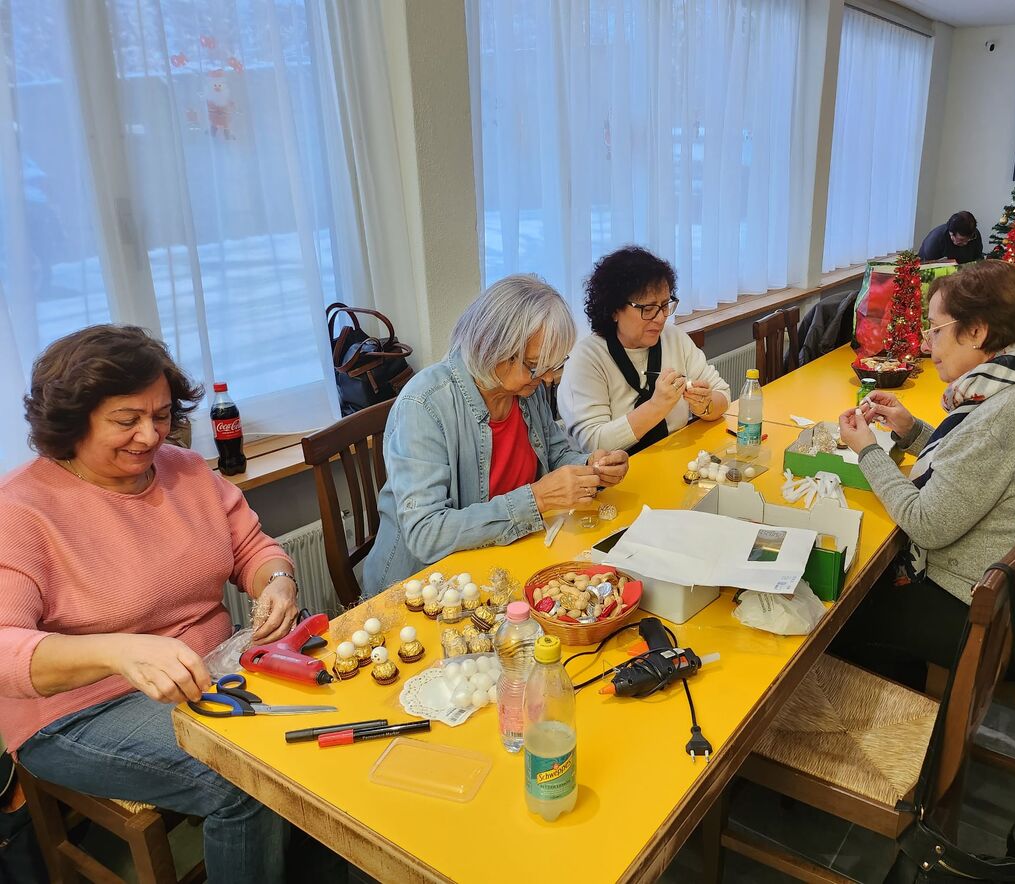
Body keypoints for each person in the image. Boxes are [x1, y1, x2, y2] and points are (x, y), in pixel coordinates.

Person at [0, 325, 299, 883]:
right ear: (72, 420)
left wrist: (278, 580)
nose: (150, 435)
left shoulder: (186, 470)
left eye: (161, 416)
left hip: (208, 671)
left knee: (326, 721)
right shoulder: (20, 509)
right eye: (126, 420)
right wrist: (118, 652)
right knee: (245, 779)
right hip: (79, 711)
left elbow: (252, 548)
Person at [833, 260, 1015, 687]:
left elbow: (926, 523)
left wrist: (868, 451)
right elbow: (977, 464)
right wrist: (912, 432)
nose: (927, 343)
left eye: (936, 329)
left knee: (842, 611)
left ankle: (907, 717)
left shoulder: (1007, 412)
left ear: (976, 332)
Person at [363, 274, 630, 595]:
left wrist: (591, 467)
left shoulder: (526, 390)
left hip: (503, 563)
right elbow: (426, 534)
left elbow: (556, 454)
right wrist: (537, 499)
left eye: (555, 364)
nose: (548, 378)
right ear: (493, 348)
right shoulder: (425, 405)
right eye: (535, 365)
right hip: (426, 590)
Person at [558, 246, 730, 453]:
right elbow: (592, 443)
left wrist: (705, 405)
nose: (661, 318)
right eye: (648, 309)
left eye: (664, 305)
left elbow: (723, 394)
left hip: (674, 458)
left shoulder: (674, 338)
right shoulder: (587, 359)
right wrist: (656, 407)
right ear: (614, 310)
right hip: (617, 469)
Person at [918, 210, 984, 265]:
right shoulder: (935, 240)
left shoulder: (975, 234)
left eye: (969, 239)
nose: (965, 243)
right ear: (951, 233)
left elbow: (978, 258)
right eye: (961, 240)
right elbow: (927, 267)